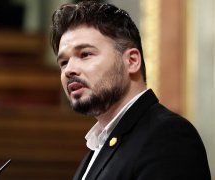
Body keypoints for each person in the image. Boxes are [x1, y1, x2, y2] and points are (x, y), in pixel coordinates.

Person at [50, 1, 211, 180]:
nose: (69, 70)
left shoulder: (168, 135)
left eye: (85, 54)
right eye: (63, 62)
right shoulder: (96, 149)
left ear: (132, 61)